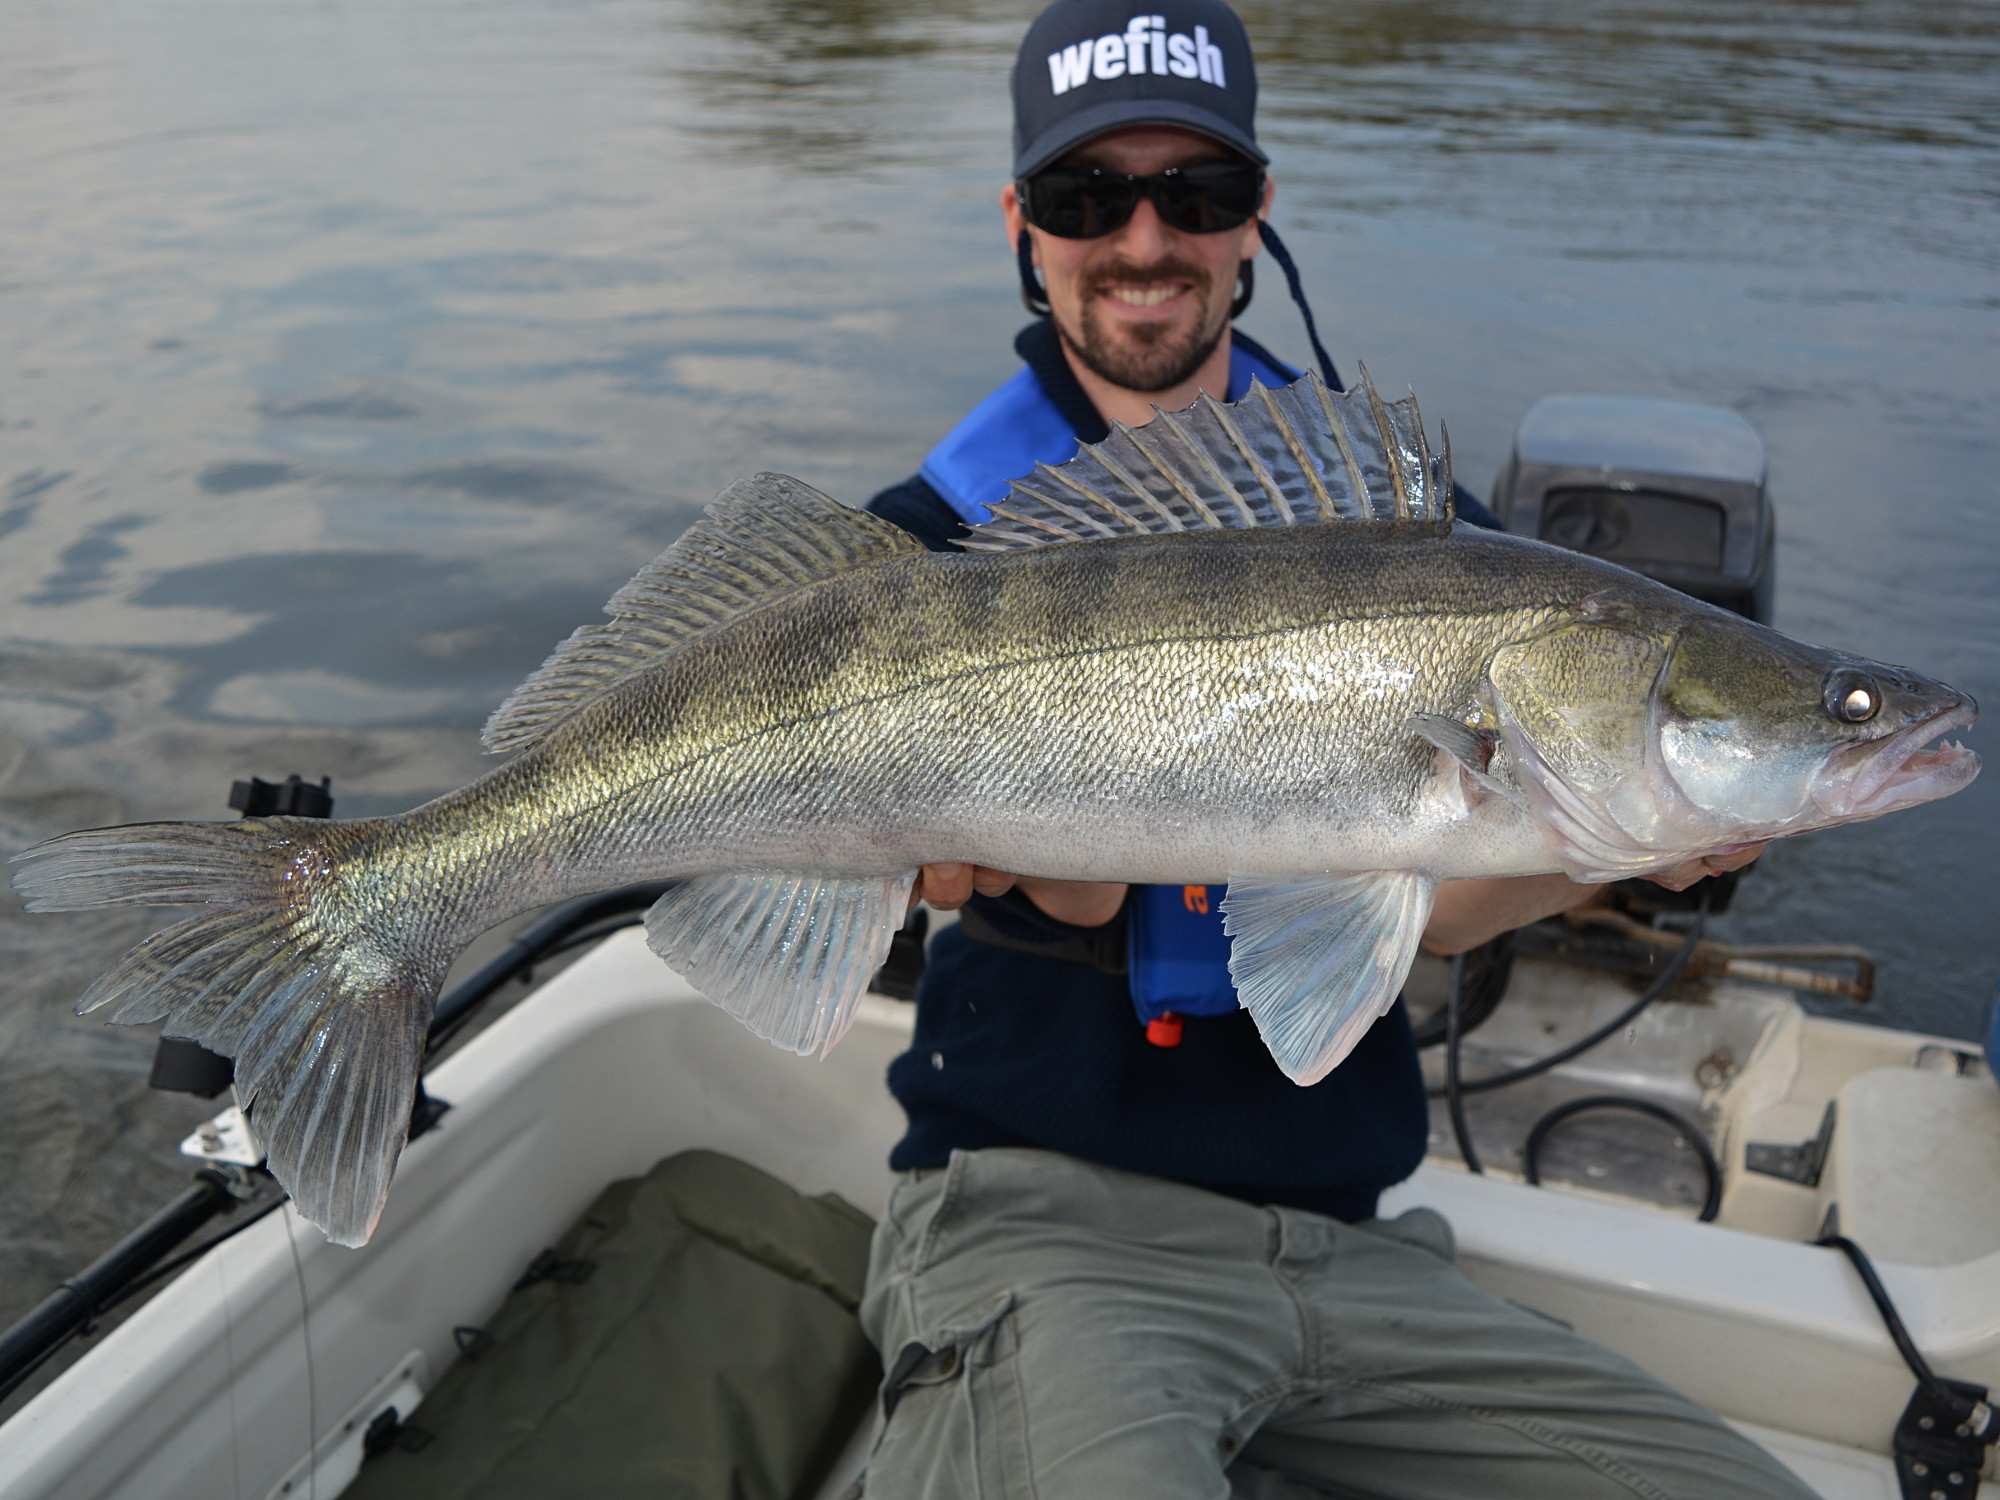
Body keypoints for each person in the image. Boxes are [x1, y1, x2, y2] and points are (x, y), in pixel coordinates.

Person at [854, 3, 1795, 1496]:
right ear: (1022, 224)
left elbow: (1438, 881)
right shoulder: (909, 561)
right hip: (1042, 1219)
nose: (1147, 240)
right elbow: (885, 882)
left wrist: (1622, 832)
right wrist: (1035, 890)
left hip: (1349, 1246)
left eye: (1199, 194)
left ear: (1258, 216)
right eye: (1090, 196)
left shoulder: (1427, 543)